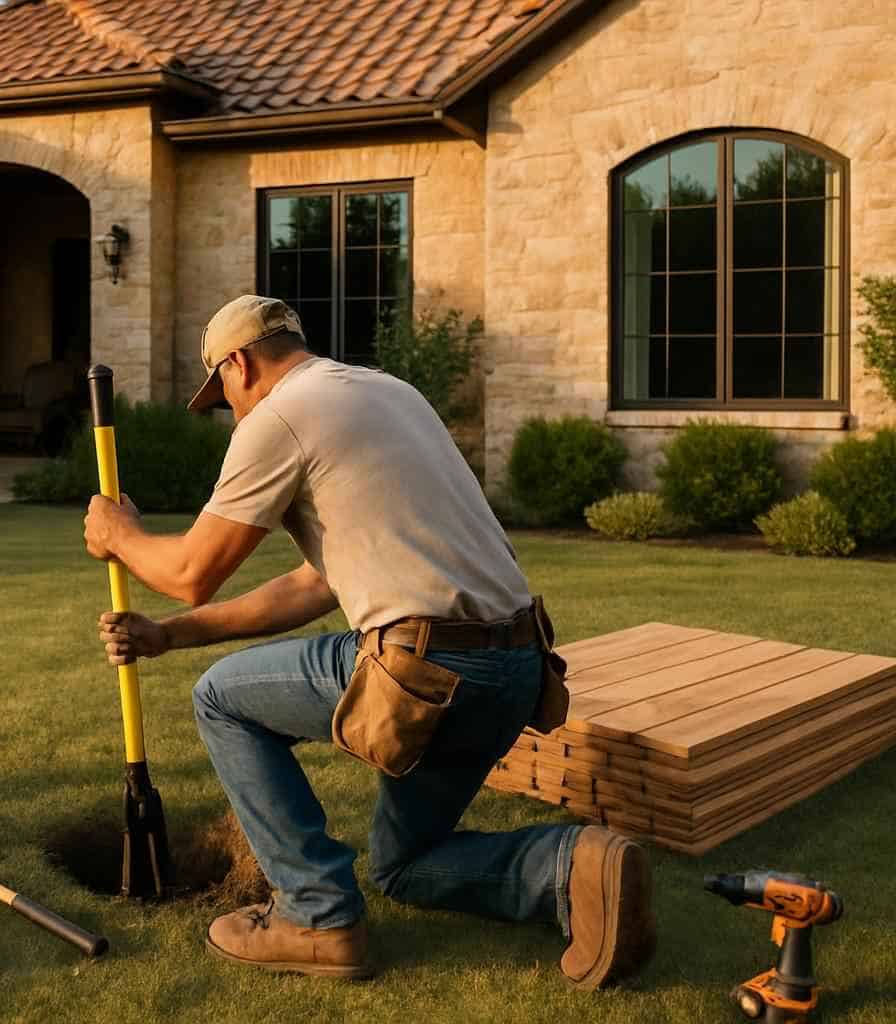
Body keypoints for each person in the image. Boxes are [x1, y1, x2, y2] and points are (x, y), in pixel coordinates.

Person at [82, 295, 656, 984]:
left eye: (222, 391)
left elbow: (189, 572)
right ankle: (570, 867)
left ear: (238, 363)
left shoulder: (280, 416)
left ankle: (315, 915)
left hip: (428, 671)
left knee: (220, 699)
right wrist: (169, 636)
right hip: (520, 670)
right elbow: (310, 586)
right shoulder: (390, 393)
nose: (228, 408)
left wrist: (120, 535)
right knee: (404, 864)